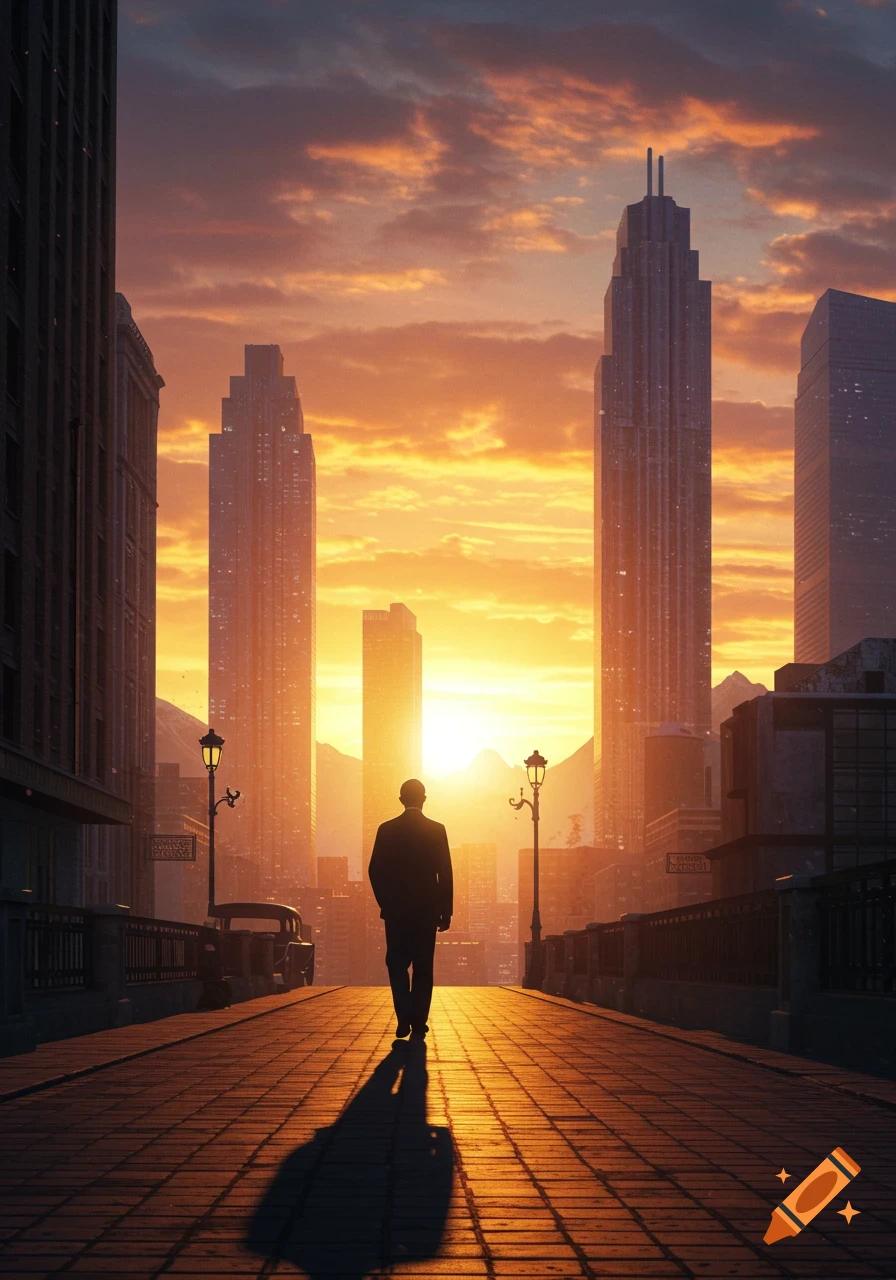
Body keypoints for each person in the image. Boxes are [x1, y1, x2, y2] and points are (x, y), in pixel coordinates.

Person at [368, 778, 453, 1039]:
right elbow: (445, 873)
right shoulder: (437, 829)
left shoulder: (386, 829)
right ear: (424, 799)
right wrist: (445, 911)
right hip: (427, 912)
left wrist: (386, 903)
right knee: (423, 966)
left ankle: (404, 1016)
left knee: (396, 963)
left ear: (401, 799)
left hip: (397, 913)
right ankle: (419, 1021)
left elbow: (374, 871)